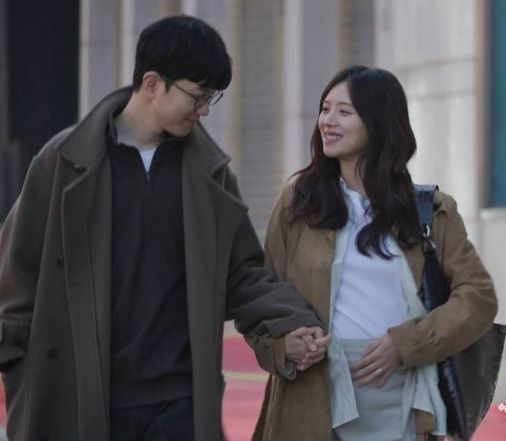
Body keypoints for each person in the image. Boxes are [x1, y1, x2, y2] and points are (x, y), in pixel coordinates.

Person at [0, 15, 328, 441]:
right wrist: (20, 369)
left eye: (212, 98)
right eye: (198, 96)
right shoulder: (63, 162)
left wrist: (290, 321)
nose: (205, 110)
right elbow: (17, 276)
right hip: (84, 398)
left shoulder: (210, 175)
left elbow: (241, 274)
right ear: (153, 83)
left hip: (180, 403)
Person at [250, 66, 498, 441]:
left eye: (344, 112)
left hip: (402, 399)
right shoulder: (298, 205)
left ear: (378, 122)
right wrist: (282, 345)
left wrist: (405, 344)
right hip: (310, 398)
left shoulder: (430, 210)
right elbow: (262, 295)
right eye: (325, 109)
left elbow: (478, 297)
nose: (327, 121)